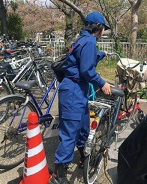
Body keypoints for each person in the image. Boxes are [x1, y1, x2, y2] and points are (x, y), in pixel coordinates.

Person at [50, 12, 112, 184]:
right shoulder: (90, 42)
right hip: (74, 90)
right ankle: (59, 174)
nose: (104, 32)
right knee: (69, 132)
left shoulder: (81, 39)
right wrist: (102, 83)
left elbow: (82, 60)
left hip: (76, 89)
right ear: (98, 27)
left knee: (84, 126)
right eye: (103, 29)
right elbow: (86, 70)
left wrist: (101, 54)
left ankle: (84, 158)